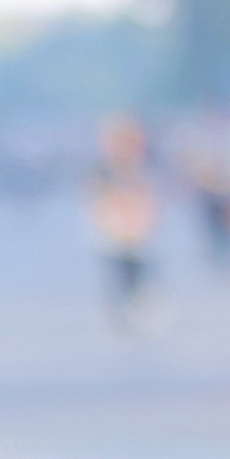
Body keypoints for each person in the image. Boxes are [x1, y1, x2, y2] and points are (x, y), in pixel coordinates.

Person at [85, 114, 159, 332]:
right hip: (114, 232)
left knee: (136, 273)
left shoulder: (142, 169)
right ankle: (123, 314)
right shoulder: (103, 171)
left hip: (138, 232)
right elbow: (94, 199)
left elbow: (151, 198)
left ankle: (137, 308)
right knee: (118, 273)